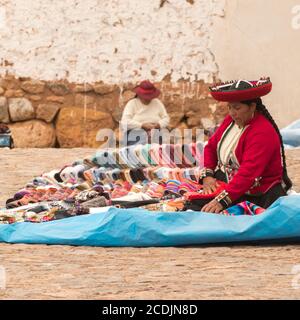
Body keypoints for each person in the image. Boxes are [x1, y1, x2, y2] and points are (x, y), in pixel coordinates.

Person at [199, 77, 292, 213]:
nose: (232, 113)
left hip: (260, 195)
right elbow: (211, 147)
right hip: (233, 188)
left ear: (252, 106)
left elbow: (248, 173)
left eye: (237, 108)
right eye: (229, 107)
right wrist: (207, 177)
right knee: (193, 205)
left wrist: (221, 201)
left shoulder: (262, 132)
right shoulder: (230, 121)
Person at [120, 80, 170, 146]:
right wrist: (142, 125)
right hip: (136, 134)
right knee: (140, 149)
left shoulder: (157, 103)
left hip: (155, 133)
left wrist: (158, 125)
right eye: (145, 96)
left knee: (158, 146)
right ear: (139, 95)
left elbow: (166, 118)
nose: (148, 99)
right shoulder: (132, 103)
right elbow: (125, 122)